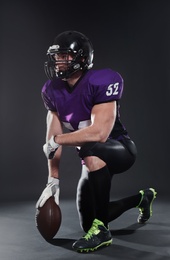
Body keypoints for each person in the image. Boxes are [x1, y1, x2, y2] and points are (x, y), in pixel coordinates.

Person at [36, 30, 157, 253]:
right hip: (90, 158)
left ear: (82, 58)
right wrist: (52, 180)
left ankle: (102, 232)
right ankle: (142, 199)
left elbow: (99, 133)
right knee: (88, 220)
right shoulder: (52, 90)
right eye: (56, 56)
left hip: (119, 149)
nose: (58, 61)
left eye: (64, 56)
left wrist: (57, 140)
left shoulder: (102, 80)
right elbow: (51, 140)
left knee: (91, 147)